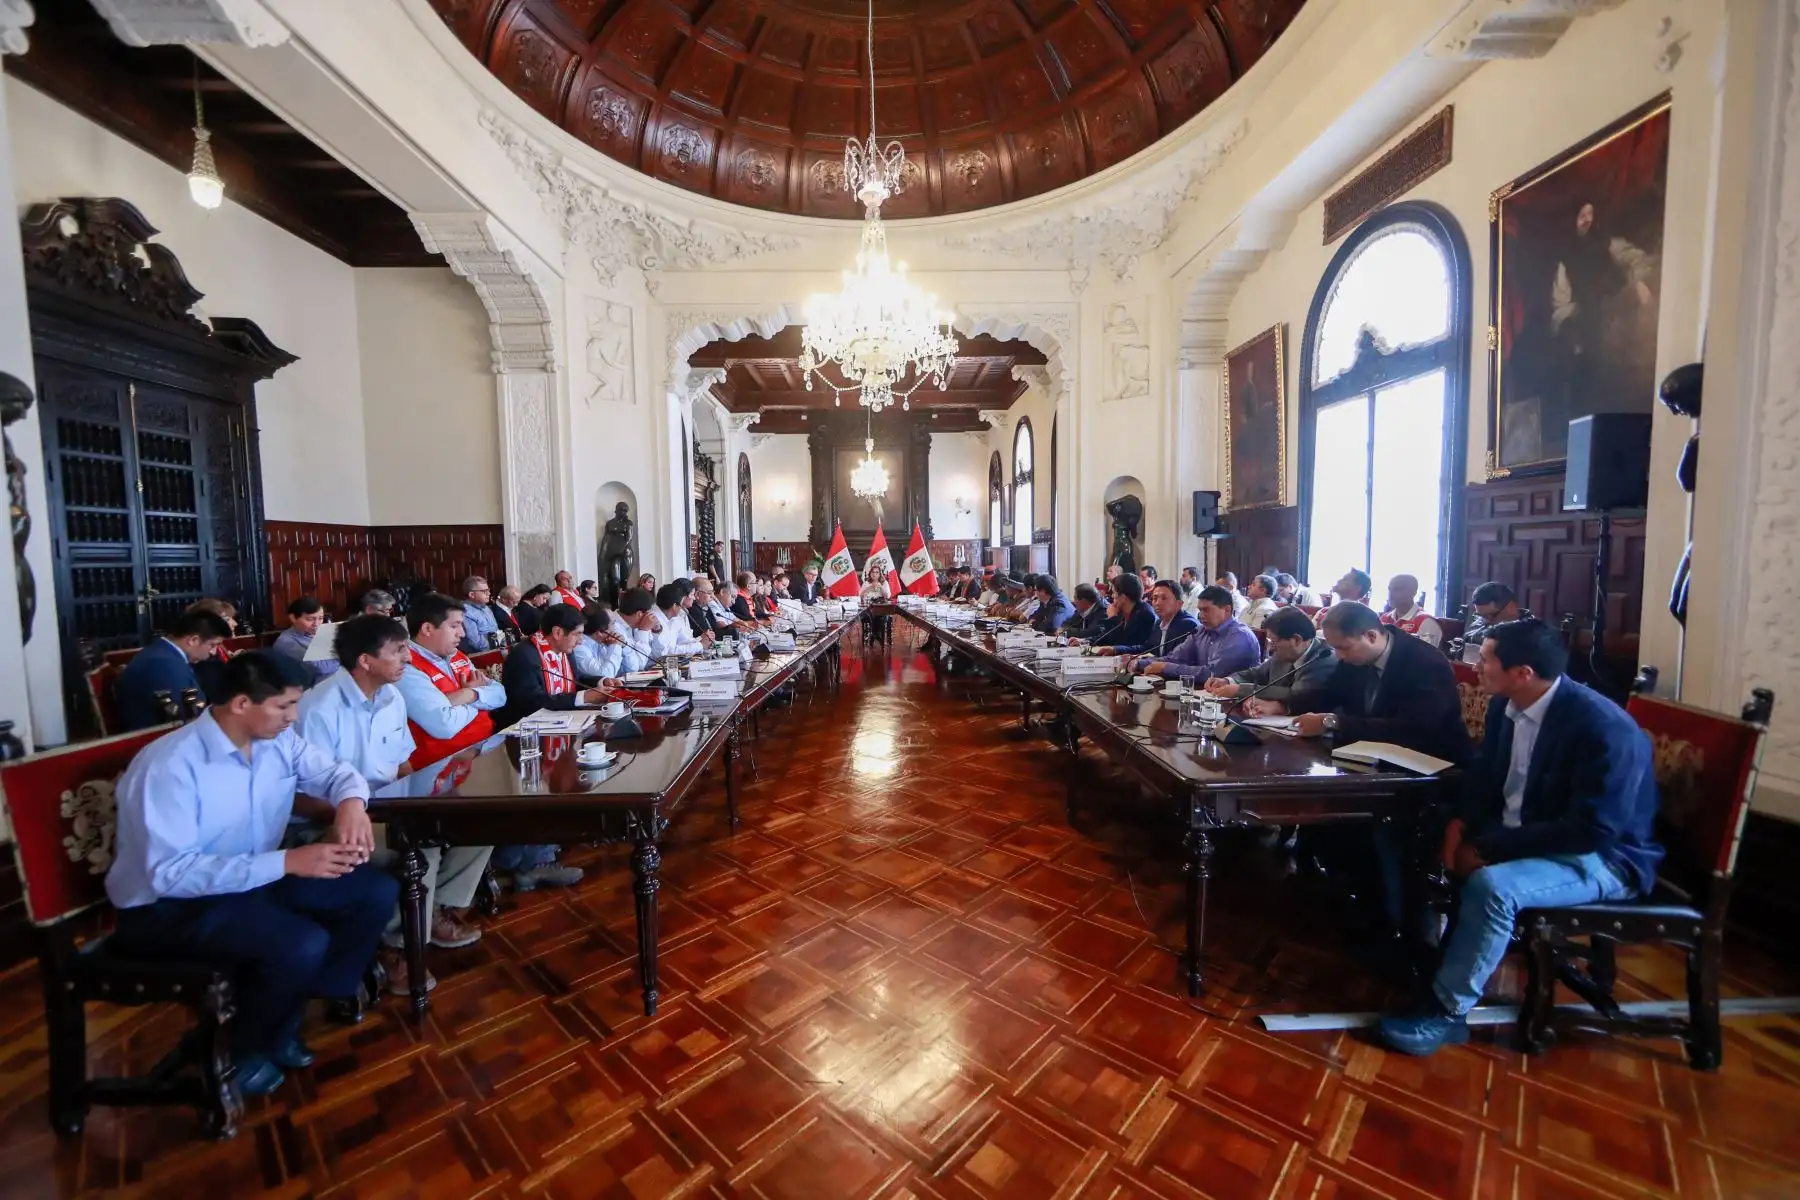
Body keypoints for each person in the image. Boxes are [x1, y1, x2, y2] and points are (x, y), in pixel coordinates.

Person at [106, 651, 394, 1098]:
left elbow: (337, 773)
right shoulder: (171, 766)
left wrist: (352, 804)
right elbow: (169, 873)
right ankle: (241, 1051)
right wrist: (288, 863)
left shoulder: (278, 742)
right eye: (284, 706)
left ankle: (285, 1012)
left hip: (249, 881)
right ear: (241, 704)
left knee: (372, 891)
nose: (293, 717)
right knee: (301, 941)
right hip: (168, 908)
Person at [1375, 619, 1661, 1055]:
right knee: (1407, 830)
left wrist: (1490, 848)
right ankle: (1418, 958)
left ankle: (1446, 1012)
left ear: (1523, 672)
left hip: (1602, 857)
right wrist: (1460, 825)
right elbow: (1486, 777)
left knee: (1493, 889)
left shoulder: (1601, 728)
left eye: (1486, 660)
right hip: (1529, 835)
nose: (1475, 669)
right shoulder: (1505, 706)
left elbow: (1594, 828)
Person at [295, 614, 493, 995]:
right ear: (365, 660)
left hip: (394, 808)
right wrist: (358, 813)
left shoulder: (390, 697)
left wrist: (416, 802)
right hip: (338, 820)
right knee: (421, 850)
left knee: (482, 824)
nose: (407, 659)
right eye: (398, 652)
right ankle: (397, 946)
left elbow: (403, 762)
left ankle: (435, 910)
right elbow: (303, 796)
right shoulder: (318, 709)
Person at [1280, 602, 1471, 765]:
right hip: (1369, 757)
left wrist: (1333, 722)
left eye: (1343, 647)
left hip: (1428, 765)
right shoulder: (1355, 658)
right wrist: (1283, 706)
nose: (1339, 656)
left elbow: (1413, 729)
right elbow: (1329, 693)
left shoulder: (1425, 662)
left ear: (1371, 636)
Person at [395, 591, 507, 769]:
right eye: (455, 626)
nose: (462, 633)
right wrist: (479, 698)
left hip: (483, 750)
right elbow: (443, 724)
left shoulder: (457, 656)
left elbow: (500, 695)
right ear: (428, 629)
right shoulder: (406, 668)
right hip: (441, 769)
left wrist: (467, 694)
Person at [496, 604, 612, 728]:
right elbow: (531, 702)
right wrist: (584, 697)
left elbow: (574, 681)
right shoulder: (524, 656)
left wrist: (601, 682)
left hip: (563, 721)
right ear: (557, 633)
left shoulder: (564, 650)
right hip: (526, 731)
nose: (580, 641)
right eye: (577, 634)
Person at [116, 608, 232, 731]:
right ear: (193, 640)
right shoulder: (162, 665)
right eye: (212, 645)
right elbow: (184, 716)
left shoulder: (163, 653)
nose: (212, 652)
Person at [1209, 608, 1336, 708]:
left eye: (1273, 642)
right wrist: (1228, 681)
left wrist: (1240, 690)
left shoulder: (1323, 658)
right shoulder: (1283, 653)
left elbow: (1295, 695)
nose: (1270, 649)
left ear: (1296, 640)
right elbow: (1256, 674)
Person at [1136, 584, 1259, 681]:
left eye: (1206, 610)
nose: (1201, 616)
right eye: (1200, 610)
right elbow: (1175, 658)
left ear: (1227, 610)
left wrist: (1166, 667)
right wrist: (1137, 663)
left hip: (1238, 704)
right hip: (1203, 697)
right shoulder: (1201, 630)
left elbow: (1213, 673)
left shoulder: (1239, 636)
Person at [1096, 578, 1196, 659]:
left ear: (1179, 604)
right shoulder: (1159, 623)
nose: (1157, 603)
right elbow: (1148, 648)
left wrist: (1142, 662)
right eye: (1155, 598)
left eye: (1164, 598)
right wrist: (1116, 650)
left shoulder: (1188, 626)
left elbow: (1174, 659)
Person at [272, 597, 339, 687]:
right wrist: (343, 656)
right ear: (293, 618)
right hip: (309, 692)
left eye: (320, 618)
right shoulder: (285, 642)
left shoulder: (322, 633)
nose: (317, 624)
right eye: (310, 619)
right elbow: (319, 668)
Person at [1089, 573, 1156, 649]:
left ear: (1123, 597)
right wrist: (1085, 642)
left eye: (1114, 593)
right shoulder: (1122, 611)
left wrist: (1112, 618)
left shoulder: (1144, 614)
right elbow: (1106, 637)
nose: (1112, 596)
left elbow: (1123, 643)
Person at [1381, 573, 1443, 649]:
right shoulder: (1384, 619)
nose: (1390, 594)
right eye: (1389, 589)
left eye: (1397, 589)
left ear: (1413, 592)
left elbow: (1426, 657)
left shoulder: (1426, 622)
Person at [1463, 581, 1531, 643]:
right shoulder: (1480, 622)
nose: (1486, 621)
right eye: (1481, 615)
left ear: (1510, 608)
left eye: (1491, 615)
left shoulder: (1531, 630)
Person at [651, 583, 707, 656]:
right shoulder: (654, 619)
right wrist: (700, 645)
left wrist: (701, 640)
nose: (682, 608)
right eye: (681, 604)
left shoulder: (671, 618)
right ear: (674, 606)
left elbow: (682, 641)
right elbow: (667, 652)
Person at [459, 575, 500, 654]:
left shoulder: (487, 608)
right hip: (478, 655)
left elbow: (496, 631)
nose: (489, 593)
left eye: (488, 590)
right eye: (484, 591)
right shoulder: (464, 611)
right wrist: (495, 648)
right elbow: (475, 642)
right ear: (472, 594)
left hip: (494, 650)